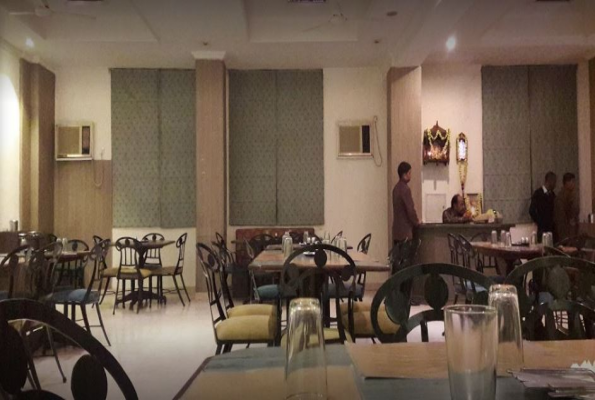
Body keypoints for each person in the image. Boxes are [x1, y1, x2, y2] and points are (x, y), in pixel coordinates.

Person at [392, 162, 420, 244]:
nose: (410, 175)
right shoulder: (405, 189)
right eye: (409, 173)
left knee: (398, 252)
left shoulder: (395, 188)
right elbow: (410, 209)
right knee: (406, 252)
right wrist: (416, 222)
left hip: (396, 231)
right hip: (405, 232)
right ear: (404, 175)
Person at [529, 171, 557, 239]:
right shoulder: (538, 194)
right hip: (542, 229)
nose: (555, 184)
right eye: (554, 182)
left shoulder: (552, 195)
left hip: (551, 228)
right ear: (549, 181)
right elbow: (531, 210)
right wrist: (539, 222)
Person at [554, 172, 579, 242]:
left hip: (572, 231)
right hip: (565, 233)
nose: (574, 184)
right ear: (567, 182)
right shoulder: (561, 198)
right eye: (572, 181)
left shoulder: (571, 195)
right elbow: (561, 220)